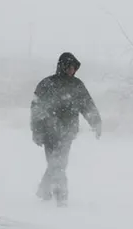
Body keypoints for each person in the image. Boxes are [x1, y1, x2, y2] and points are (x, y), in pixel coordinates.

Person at [30, 52, 102, 206]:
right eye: (68, 67)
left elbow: (87, 105)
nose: (71, 70)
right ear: (61, 66)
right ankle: (61, 196)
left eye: (74, 67)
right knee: (57, 163)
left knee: (59, 163)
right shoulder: (47, 84)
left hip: (68, 132)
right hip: (49, 132)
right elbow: (36, 109)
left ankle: (45, 190)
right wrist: (36, 131)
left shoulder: (77, 85)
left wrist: (96, 122)